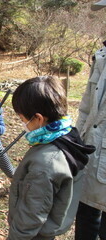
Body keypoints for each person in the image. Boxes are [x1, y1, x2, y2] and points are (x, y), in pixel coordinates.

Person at [7, 76, 95, 240]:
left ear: (39, 119)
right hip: (47, 227)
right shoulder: (67, 136)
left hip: (33, 235)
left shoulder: (44, 164)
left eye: (22, 119)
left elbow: (31, 216)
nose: (22, 124)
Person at [74, 1, 106, 239]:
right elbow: (85, 107)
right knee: (84, 217)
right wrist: (74, 141)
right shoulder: (101, 56)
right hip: (89, 153)